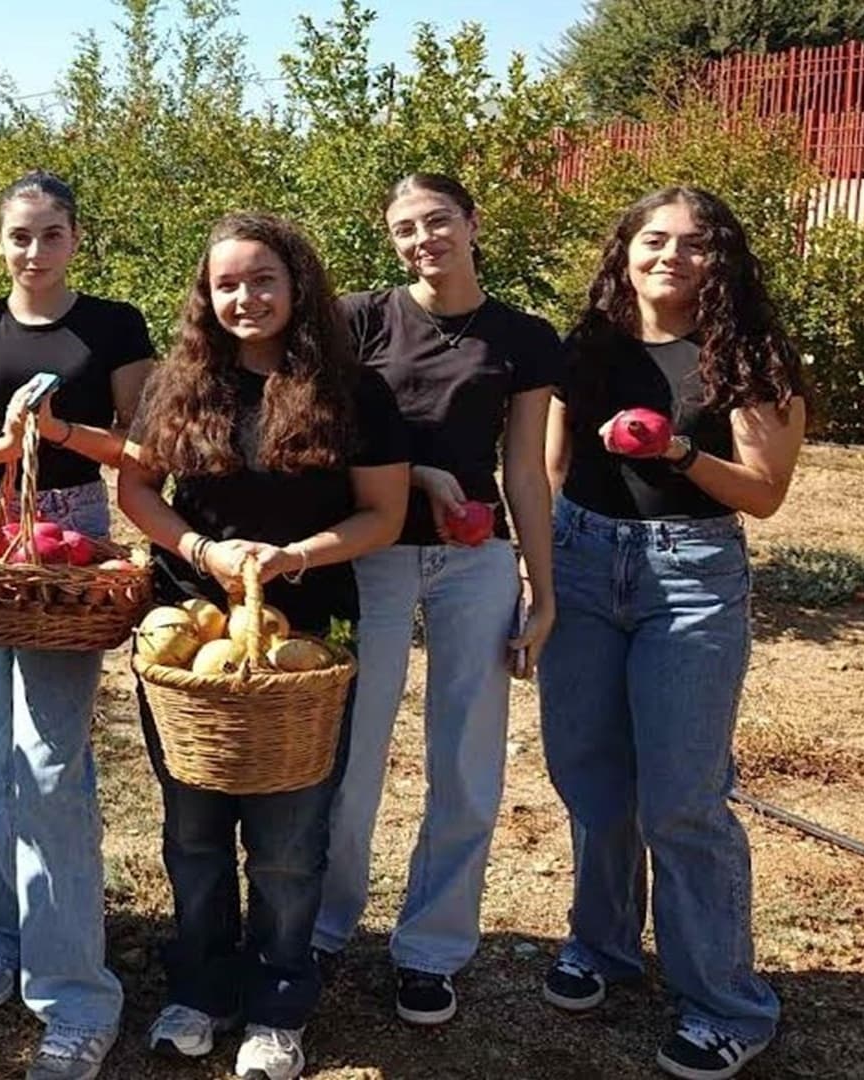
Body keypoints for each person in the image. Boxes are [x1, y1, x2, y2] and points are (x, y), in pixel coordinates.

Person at [119, 212, 410, 1080]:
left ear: (297, 286)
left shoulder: (355, 392)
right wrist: (201, 551)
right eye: (226, 284)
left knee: (288, 839)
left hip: (306, 636)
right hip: (189, 639)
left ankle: (280, 1001)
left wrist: (295, 556)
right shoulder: (178, 384)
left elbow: (382, 515)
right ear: (205, 297)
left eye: (262, 280)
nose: (244, 298)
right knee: (194, 829)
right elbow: (136, 488)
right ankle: (202, 987)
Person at [539, 186, 805, 1080]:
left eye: (695, 246)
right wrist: (533, 576)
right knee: (588, 773)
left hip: (689, 577)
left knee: (682, 798)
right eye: (654, 240)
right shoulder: (589, 345)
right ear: (625, 250)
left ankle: (727, 1000)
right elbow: (551, 464)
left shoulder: (744, 355)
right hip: (580, 561)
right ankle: (604, 946)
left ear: (717, 262)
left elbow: (765, 494)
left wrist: (677, 453)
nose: (671, 257)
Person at [0, 170, 153, 1080]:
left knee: (50, 767)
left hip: (67, 534)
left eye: (51, 235)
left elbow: (150, 444)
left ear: (76, 239)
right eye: (19, 236)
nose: (34, 252)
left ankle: (75, 993)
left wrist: (64, 433)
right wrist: (10, 445)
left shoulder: (115, 326)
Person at [312, 173, 560, 1025]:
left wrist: (541, 587)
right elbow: (324, 431)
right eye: (406, 229)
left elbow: (526, 466)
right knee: (350, 751)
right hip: (374, 548)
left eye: (439, 221)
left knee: (466, 759)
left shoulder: (523, 337)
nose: (425, 240)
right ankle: (324, 923)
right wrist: (411, 473)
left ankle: (432, 948)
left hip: (475, 558)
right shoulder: (359, 320)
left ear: (472, 223)